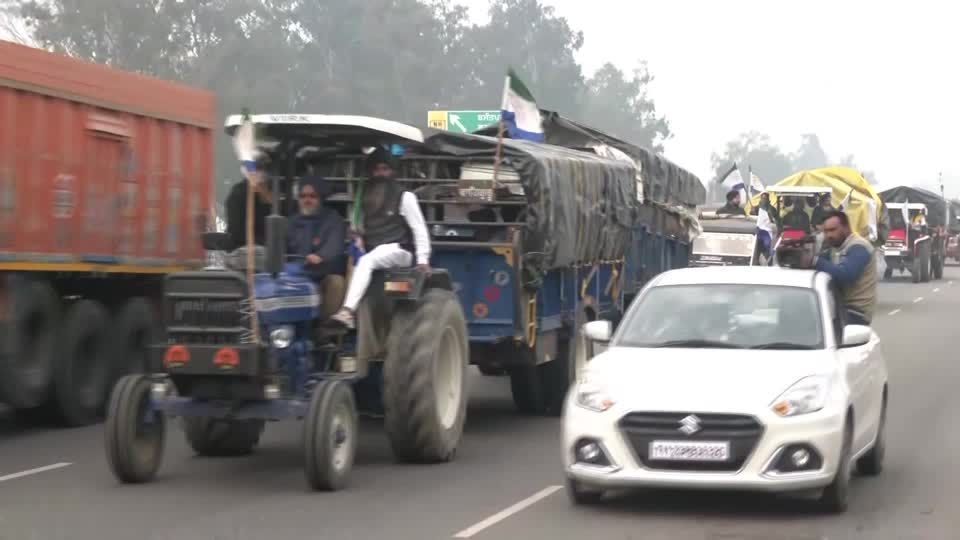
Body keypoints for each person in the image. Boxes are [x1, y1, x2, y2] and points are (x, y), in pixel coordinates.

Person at [329, 146, 431, 329]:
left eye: (385, 169)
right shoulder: (364, 197)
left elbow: (419, 229)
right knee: (354, 263)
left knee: (367, 261)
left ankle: (347, 311)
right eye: (376, 169)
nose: (380, 174)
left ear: (392, 171)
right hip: (372, 248)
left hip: (400, 250)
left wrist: (423, 259)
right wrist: (357, 239)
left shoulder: (405, 196)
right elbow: (358, 227)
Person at [288, 176, 347, 319]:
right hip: (295, 276)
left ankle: (326, 332)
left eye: (312, 196)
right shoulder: (291, 222)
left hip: (322, 275)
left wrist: (320, 256)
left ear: (320, 198)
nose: (307, 200)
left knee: (337, 283)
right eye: (302, 196)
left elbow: (335, 246)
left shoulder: (333, 219)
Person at [806, 210, 877, 325]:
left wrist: (814, 260)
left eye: (833, 230)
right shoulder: (836, 248)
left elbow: (846, 275)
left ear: (846, 228)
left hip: (855, 312)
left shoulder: (859, 247)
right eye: (825, 231)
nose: (828, 235)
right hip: (838, 308)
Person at [225, 151, 273, 251]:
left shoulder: (273, 192)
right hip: (241, 254)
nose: (261, 173)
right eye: (258, 168)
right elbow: (237, 232)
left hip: (271, 255)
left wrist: (267, 200)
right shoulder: (238, 194)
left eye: (264, 169)